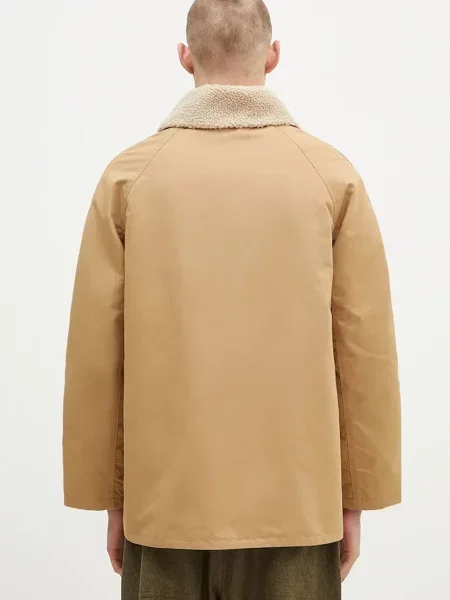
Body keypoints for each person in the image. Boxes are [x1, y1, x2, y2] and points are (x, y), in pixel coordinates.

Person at [63, 1, 401, 598]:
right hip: (298, 509)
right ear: (273, 56)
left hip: (164, 508)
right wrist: (355, 499)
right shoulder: (331, 177)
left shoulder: (128, 179)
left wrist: (112, 497)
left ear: (184, 57)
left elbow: (97, 354)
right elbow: (363, 350)